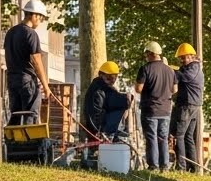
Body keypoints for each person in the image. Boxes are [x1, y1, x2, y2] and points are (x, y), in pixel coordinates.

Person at [4, 0, 52, 126]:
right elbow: (36, 60)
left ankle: (13, 145)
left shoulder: (11, 32)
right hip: (27, 80)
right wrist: (46, 86)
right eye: (41, 18)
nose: (40, 22)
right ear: (34, 15)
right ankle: (29, 144)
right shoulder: (30, 34)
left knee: (15, 115)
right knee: (30, 115)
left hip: (12, 79)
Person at [134, 41, 176, 171]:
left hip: (150, 109)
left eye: (146, 54)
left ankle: (153, 165)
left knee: (151, 137)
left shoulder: (145, 68)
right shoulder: (170, 70)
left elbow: (138, 88)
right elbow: (174, 89)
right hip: (166, 109)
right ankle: (164, 165)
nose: (146, 57)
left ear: (151, 54)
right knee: (163, 138)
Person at [171, 42, 204, 172]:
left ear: (192, 56)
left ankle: (182, 167)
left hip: (187, 105)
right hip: (194, 105)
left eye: (184, 57)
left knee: (179, 135)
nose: (182, 60)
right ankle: (192, 167)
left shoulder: (193, 69)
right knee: (188, 136)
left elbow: (183, 77)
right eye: (181, 58)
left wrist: (169, 69)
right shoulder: (194, 68)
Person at [82, 61, 133, 142]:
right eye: (110, 78)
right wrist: (128, 98)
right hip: (99, 128)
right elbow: (120, 102)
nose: (112, 81)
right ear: (102, 75)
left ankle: (115, 131)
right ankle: (113, 132)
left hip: (95, 127)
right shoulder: (101, 90)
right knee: (123, 102)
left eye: (114, 78)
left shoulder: (96, 86)